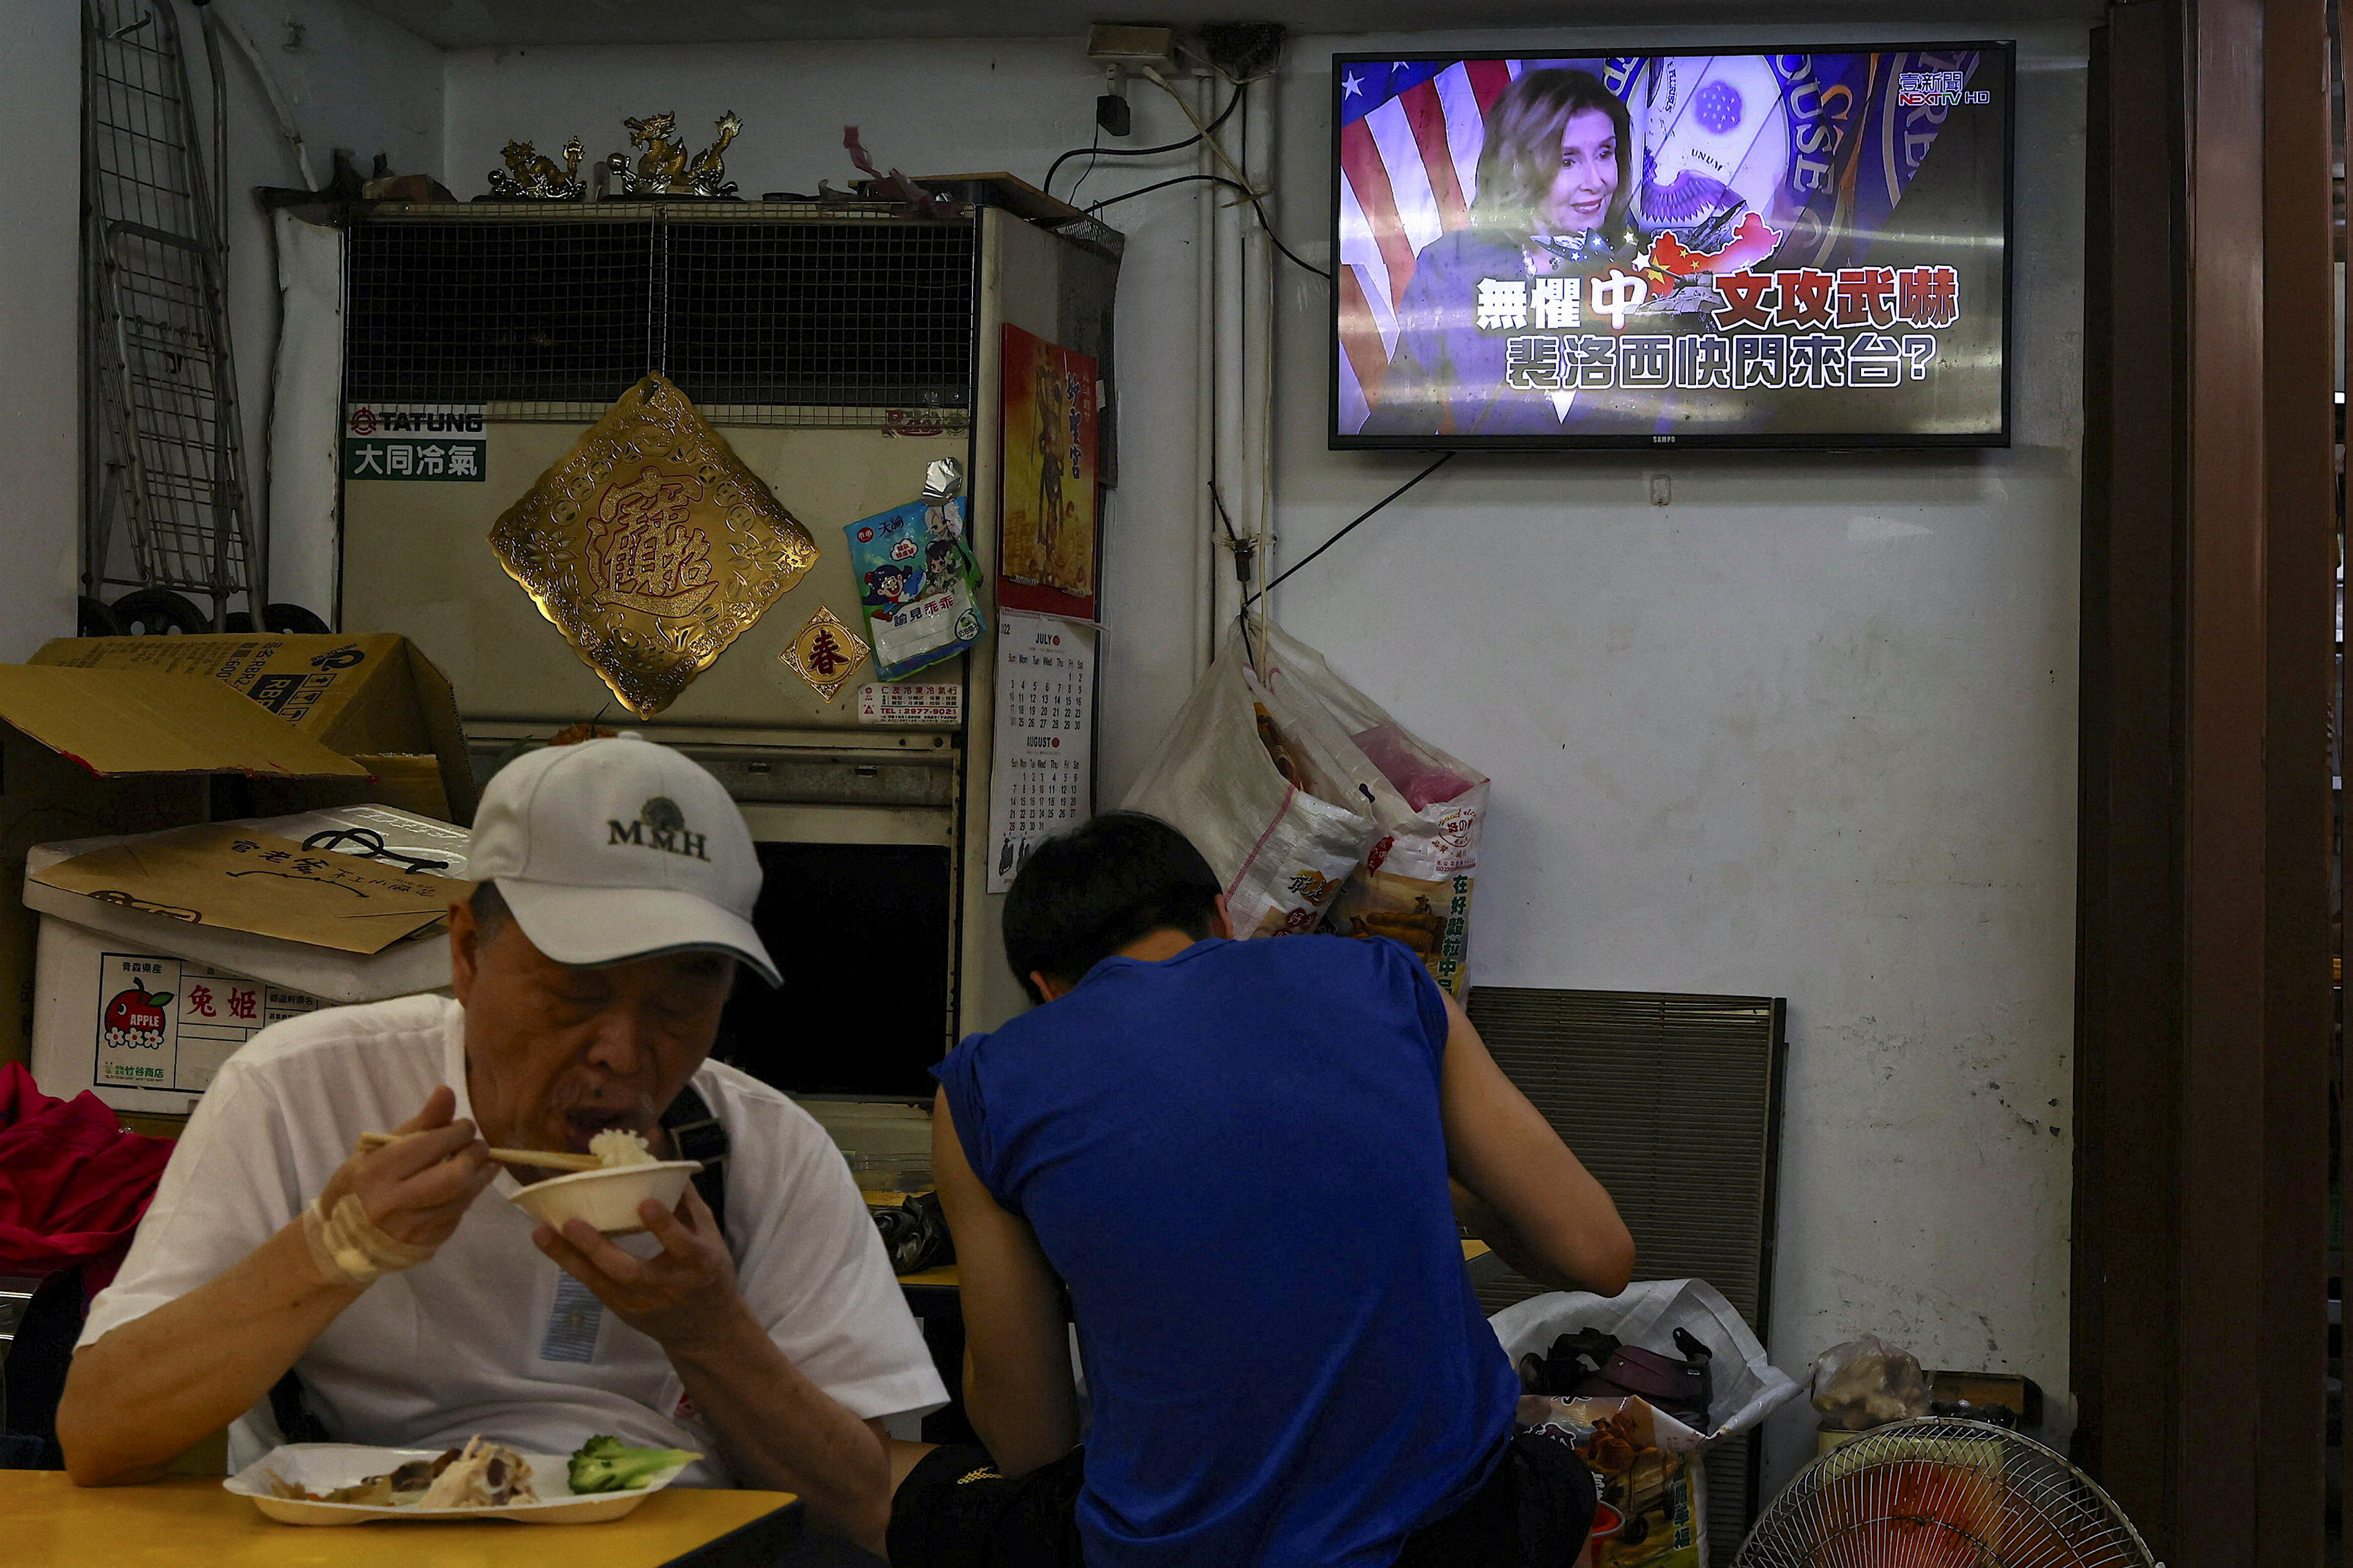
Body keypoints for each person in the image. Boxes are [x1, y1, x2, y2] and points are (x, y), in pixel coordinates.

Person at [58, 736, 945, 1553]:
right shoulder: (303, 1088)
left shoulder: (769, 1150)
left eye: (683, 997)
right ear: (469, 951)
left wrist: (710, 1331)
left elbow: (865, 1507)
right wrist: (332, 1249)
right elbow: (98, 1432)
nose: (626, 1054)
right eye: (579, 990)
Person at [888, 813, 1635, 1568]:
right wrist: (1447, 1187)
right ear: (1221, 918)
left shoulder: (985, 1085)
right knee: (1553, 1480)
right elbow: (1599, 1256)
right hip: (1449, 1533)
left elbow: (1031, 1443)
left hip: (1179, 1552)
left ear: (1048, 991)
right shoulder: (1383, 980)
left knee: (909, 1486)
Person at [1364, 67, 1645, 437]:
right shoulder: (1452, 267)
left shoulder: (1651, 265)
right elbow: (1399, 422)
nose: (1597, 181)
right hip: (1486, 486)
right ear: (1518, 166)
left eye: (1605, 153)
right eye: (1568, 160)